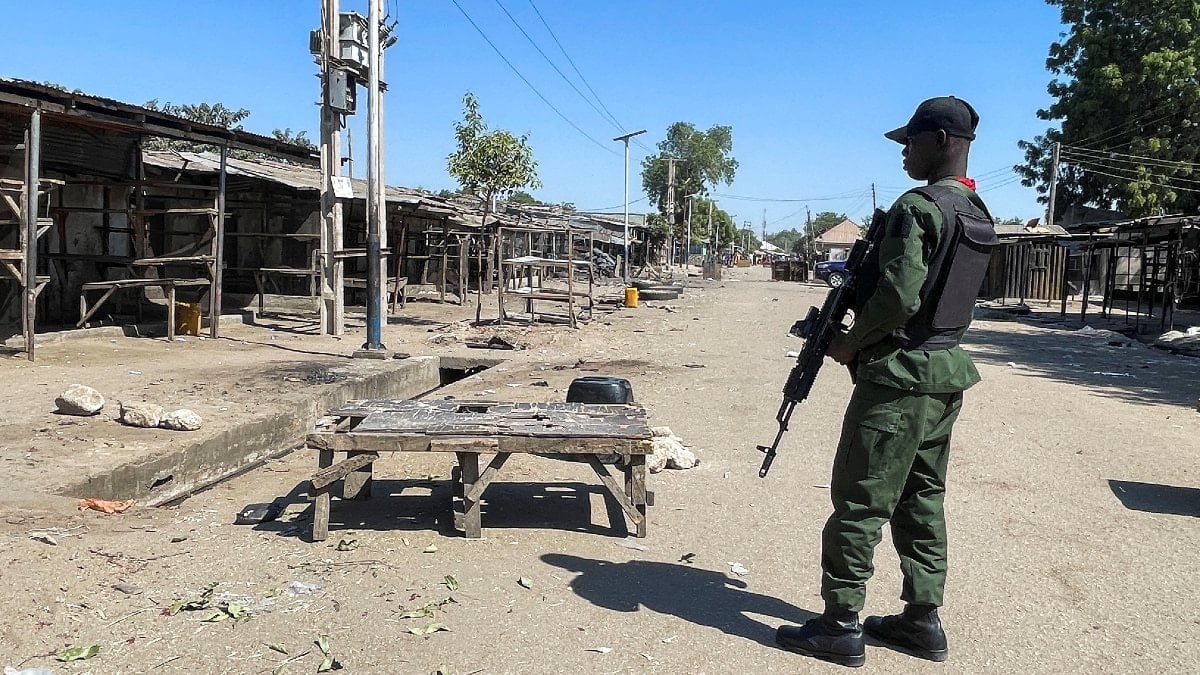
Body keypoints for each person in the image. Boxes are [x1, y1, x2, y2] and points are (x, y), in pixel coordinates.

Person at [774, 96, 997, 668]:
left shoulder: (917, 208)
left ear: (941, 141)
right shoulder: (975, 211)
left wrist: (850, 342)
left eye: (910, 141)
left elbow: (899, 296)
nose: (903, 152)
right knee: (922, 496)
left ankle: (840, 624)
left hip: (898, 379)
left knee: (861, 499)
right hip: (944, 375)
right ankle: (922, 620)